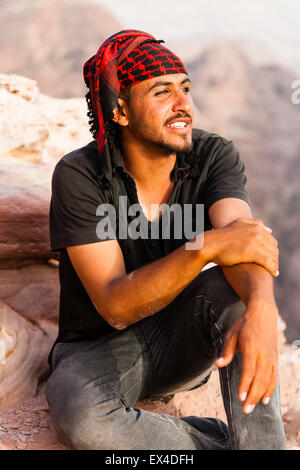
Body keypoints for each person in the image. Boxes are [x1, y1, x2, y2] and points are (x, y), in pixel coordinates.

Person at [45, 30, 286, 450]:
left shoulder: (213, 155)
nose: (184, 106)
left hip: (183, 337)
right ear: (119, 110)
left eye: (186, 89)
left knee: (237, 294)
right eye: (162, 92)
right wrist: (207, 246)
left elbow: (245, 241)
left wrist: (262, 308)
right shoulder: (80, 175)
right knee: (85, 420)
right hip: (96, 348)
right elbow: (115, 306)